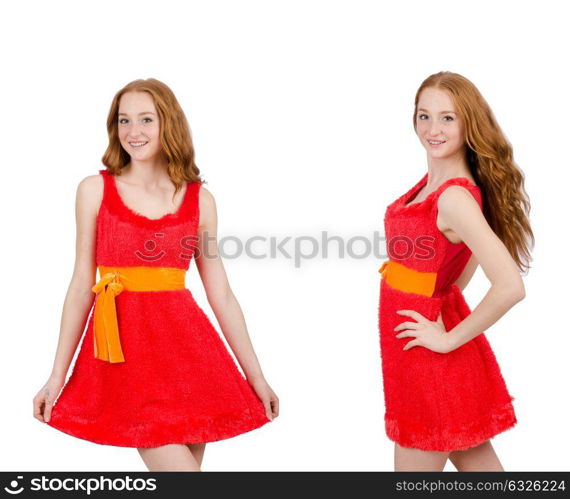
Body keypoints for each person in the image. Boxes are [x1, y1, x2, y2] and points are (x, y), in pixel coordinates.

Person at [33, 78, 279, 471]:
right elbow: (82, 284)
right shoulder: (94, 190)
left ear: (169, 124)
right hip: (128, 359)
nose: (134, 132)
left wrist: (258, 377)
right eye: (124, 120)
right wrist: (56, 376)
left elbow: (222, 294)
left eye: (146, 120)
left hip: (189, 356)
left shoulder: (201, 200)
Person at [377, 71, 533, 471]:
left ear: (468, 122)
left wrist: (446, 341)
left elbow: (510, 286)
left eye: (447, 118)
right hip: (415, 360)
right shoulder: (434, 186)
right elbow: (454, 275)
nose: (433, 128)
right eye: (424, 115)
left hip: (430, 366)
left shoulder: (454, 198)